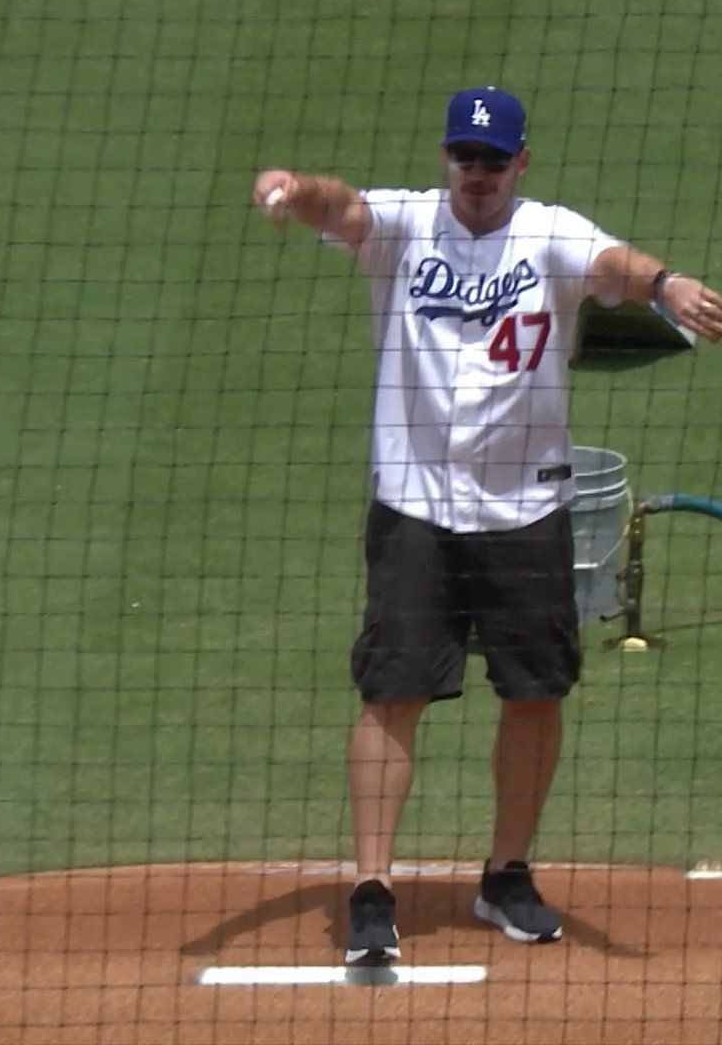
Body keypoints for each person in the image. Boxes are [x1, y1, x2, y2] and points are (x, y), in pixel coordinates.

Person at [251, 87, 722, 964]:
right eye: (465, 157)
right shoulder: (405, 225)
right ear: (446, 159)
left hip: (526, 510)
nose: (477, 174)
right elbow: (341, 205)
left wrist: (666, 284)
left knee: (536, 691)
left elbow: (615, 265)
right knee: (391, 691)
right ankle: (372, 891)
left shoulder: (549, 232)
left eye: (493, 160)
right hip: (416, 506)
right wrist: (292, 186)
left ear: (520, 164)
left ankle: (507, 875)